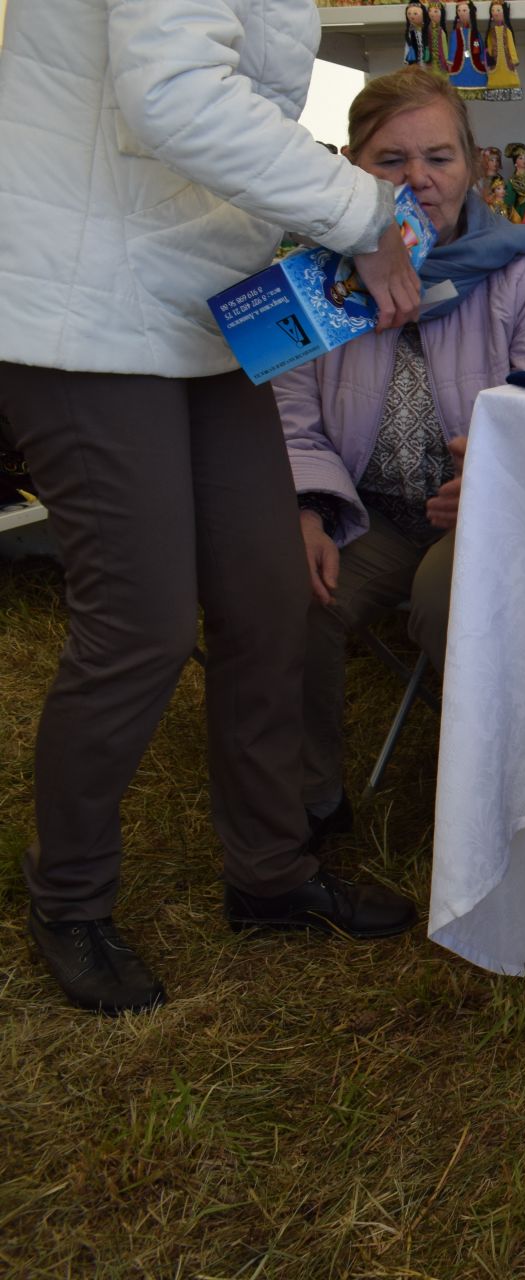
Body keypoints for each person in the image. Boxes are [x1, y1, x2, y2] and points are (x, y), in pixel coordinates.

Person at [0, 0, 424, 1015]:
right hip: (80, 306)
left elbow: (227, 97)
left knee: (269, 593)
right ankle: (67, 898)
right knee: (139, 621)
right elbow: (175, 96)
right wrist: (364, 213)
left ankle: (270, 873)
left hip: (192, 299)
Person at [279, 67, 525, 849]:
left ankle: (495, 821)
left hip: (495, 515)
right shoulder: (314, 279)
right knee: (289, 589)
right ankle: (308, 813)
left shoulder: (524, 270)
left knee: (446, 593)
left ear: (472, 165)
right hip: (367, 512)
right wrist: (305, 509)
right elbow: (289, 419)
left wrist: (500, 480)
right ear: (350, 169)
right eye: (390, 161)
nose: (419, 180)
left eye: (439, 157)